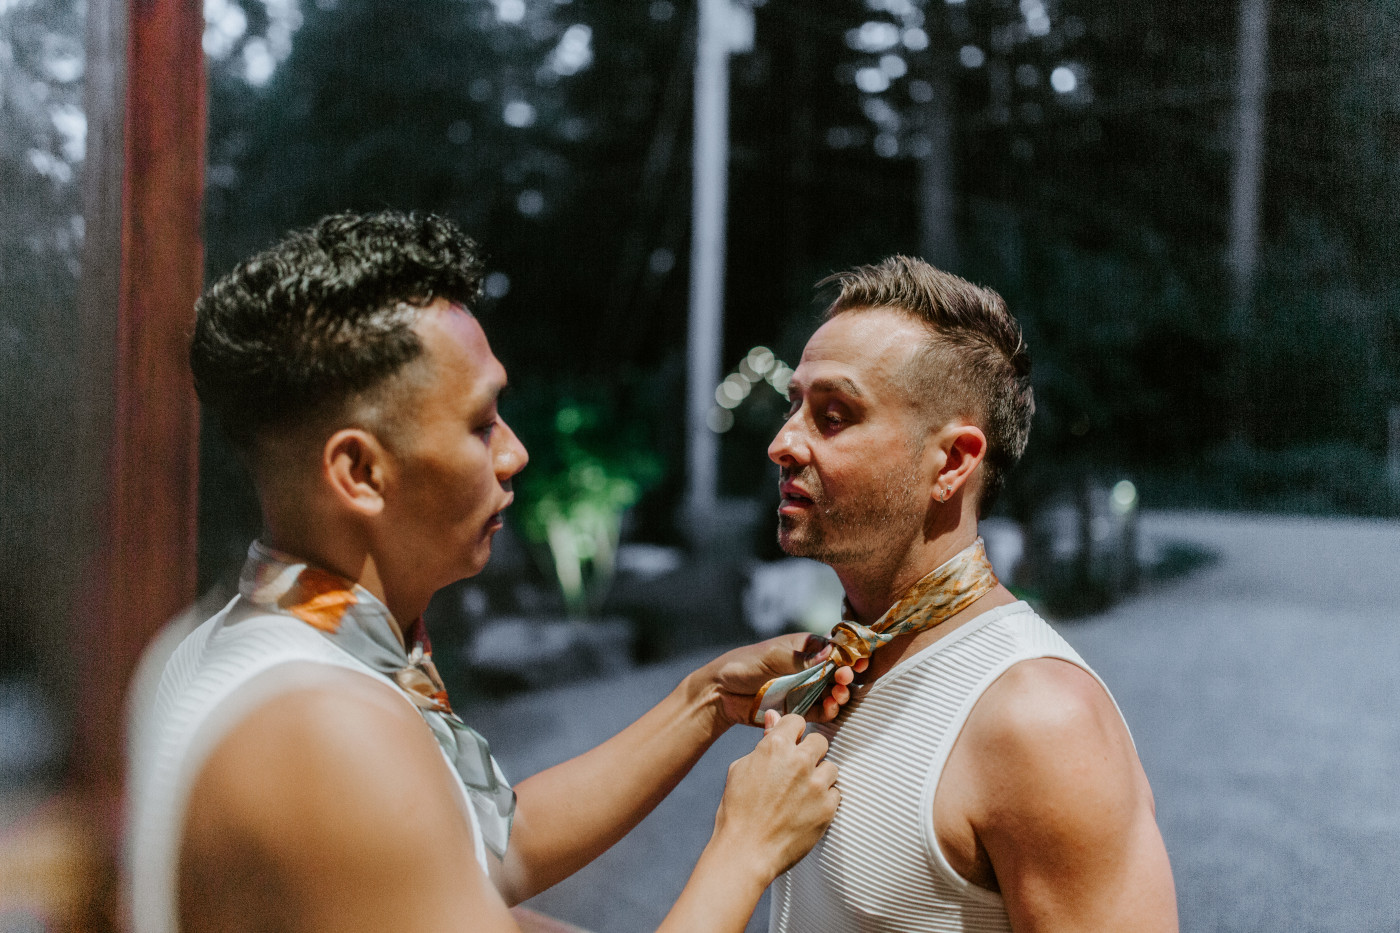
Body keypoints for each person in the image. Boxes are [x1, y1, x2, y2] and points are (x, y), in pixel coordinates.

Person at [124, 210, 861, 933]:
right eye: (481, 425)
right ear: (359, 470)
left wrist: (704, 699)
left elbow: (490, 845)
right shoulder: (325, 732)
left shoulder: (236, 638)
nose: (515, 454)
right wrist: (746, 846)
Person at [755, 257, 1178, 932]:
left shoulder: (1039, 719)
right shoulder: (840, 661)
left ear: (951, 462)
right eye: (794, 404)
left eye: (832, 415)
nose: (782, 442)